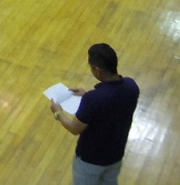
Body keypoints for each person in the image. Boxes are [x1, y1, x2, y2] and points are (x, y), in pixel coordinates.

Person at [49, 43, 139, 185]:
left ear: (97, 70)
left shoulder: (93, 99)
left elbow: (74, 128)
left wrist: (58, 113)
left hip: (91, 161)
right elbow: (112, 104)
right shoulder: (131, 86)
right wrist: (87, 94)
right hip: (115, 156)